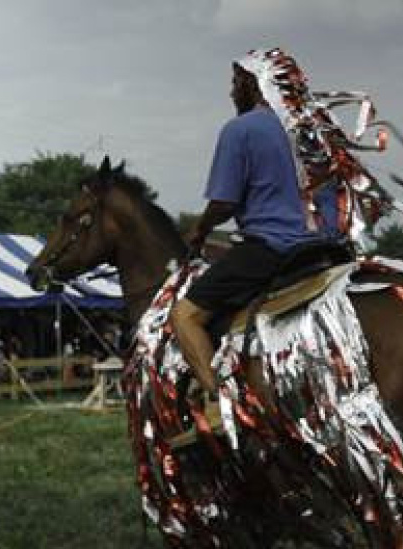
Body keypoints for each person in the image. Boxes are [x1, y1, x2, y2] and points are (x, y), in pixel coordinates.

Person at [170, 57, 324, 400]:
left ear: (253, 84)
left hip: (271, 248)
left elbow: (224, 203)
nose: (230, 92)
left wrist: (199, 230)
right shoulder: (311, 130)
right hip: (325, 248)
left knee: (184, 316)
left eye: (235, 83)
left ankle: (220, 404)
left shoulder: (241, 129)